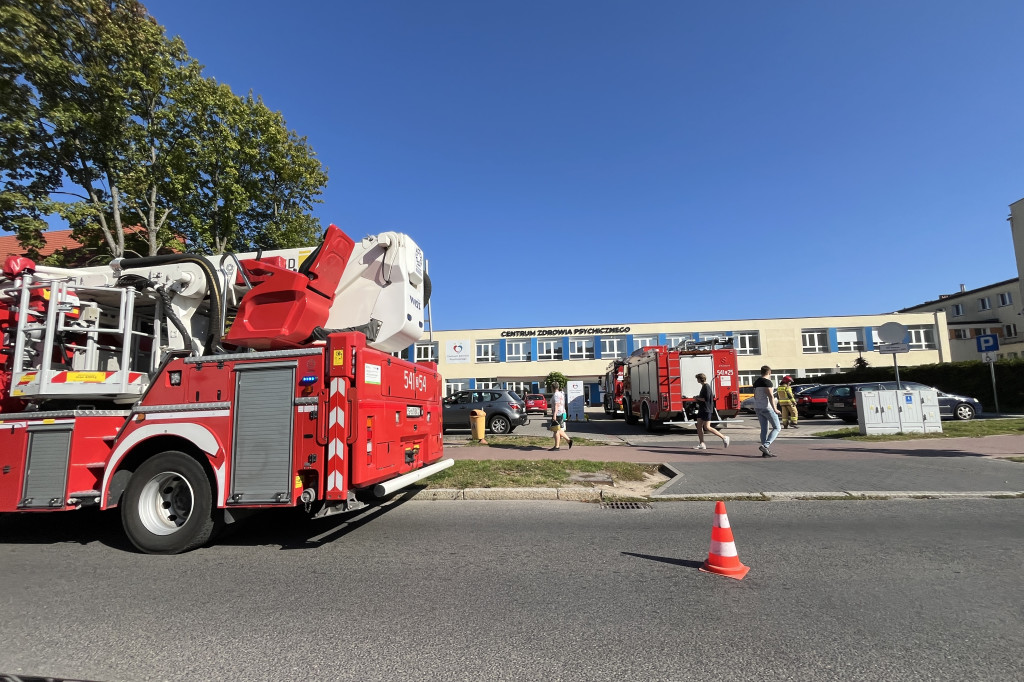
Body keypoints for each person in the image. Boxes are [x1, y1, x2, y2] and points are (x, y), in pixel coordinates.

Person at [692, 373, 729, 450]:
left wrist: (697, 398)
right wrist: (698, 398)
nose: (697, 380)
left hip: (706, 409)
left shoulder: (707, 387)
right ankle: (702, 443)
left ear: (700, 379)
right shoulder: (703, 387)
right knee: (698, 426)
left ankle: (724, 437)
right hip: (702, 409)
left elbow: (706, 399)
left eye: (697, 379)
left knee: (707, 427)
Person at [753, 365, 781, 457]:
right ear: (769, 372)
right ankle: (766, 445)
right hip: (767, 407)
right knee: (777, 428)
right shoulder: (767, 382)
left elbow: (755, 395)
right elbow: (770, 396)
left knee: (764, 429)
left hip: (758, 407)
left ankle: (765, 452)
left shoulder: (756, 382)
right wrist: (775, 409)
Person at [549, 382, 573, 451]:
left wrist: (554, 415)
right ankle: (568, 441)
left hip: (558, 413)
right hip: (562, 412)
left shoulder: (556, 394)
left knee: (556, 429)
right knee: (558, 429)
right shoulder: (561, 394)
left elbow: (557, 405)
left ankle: (557, 447)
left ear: (552, 387)